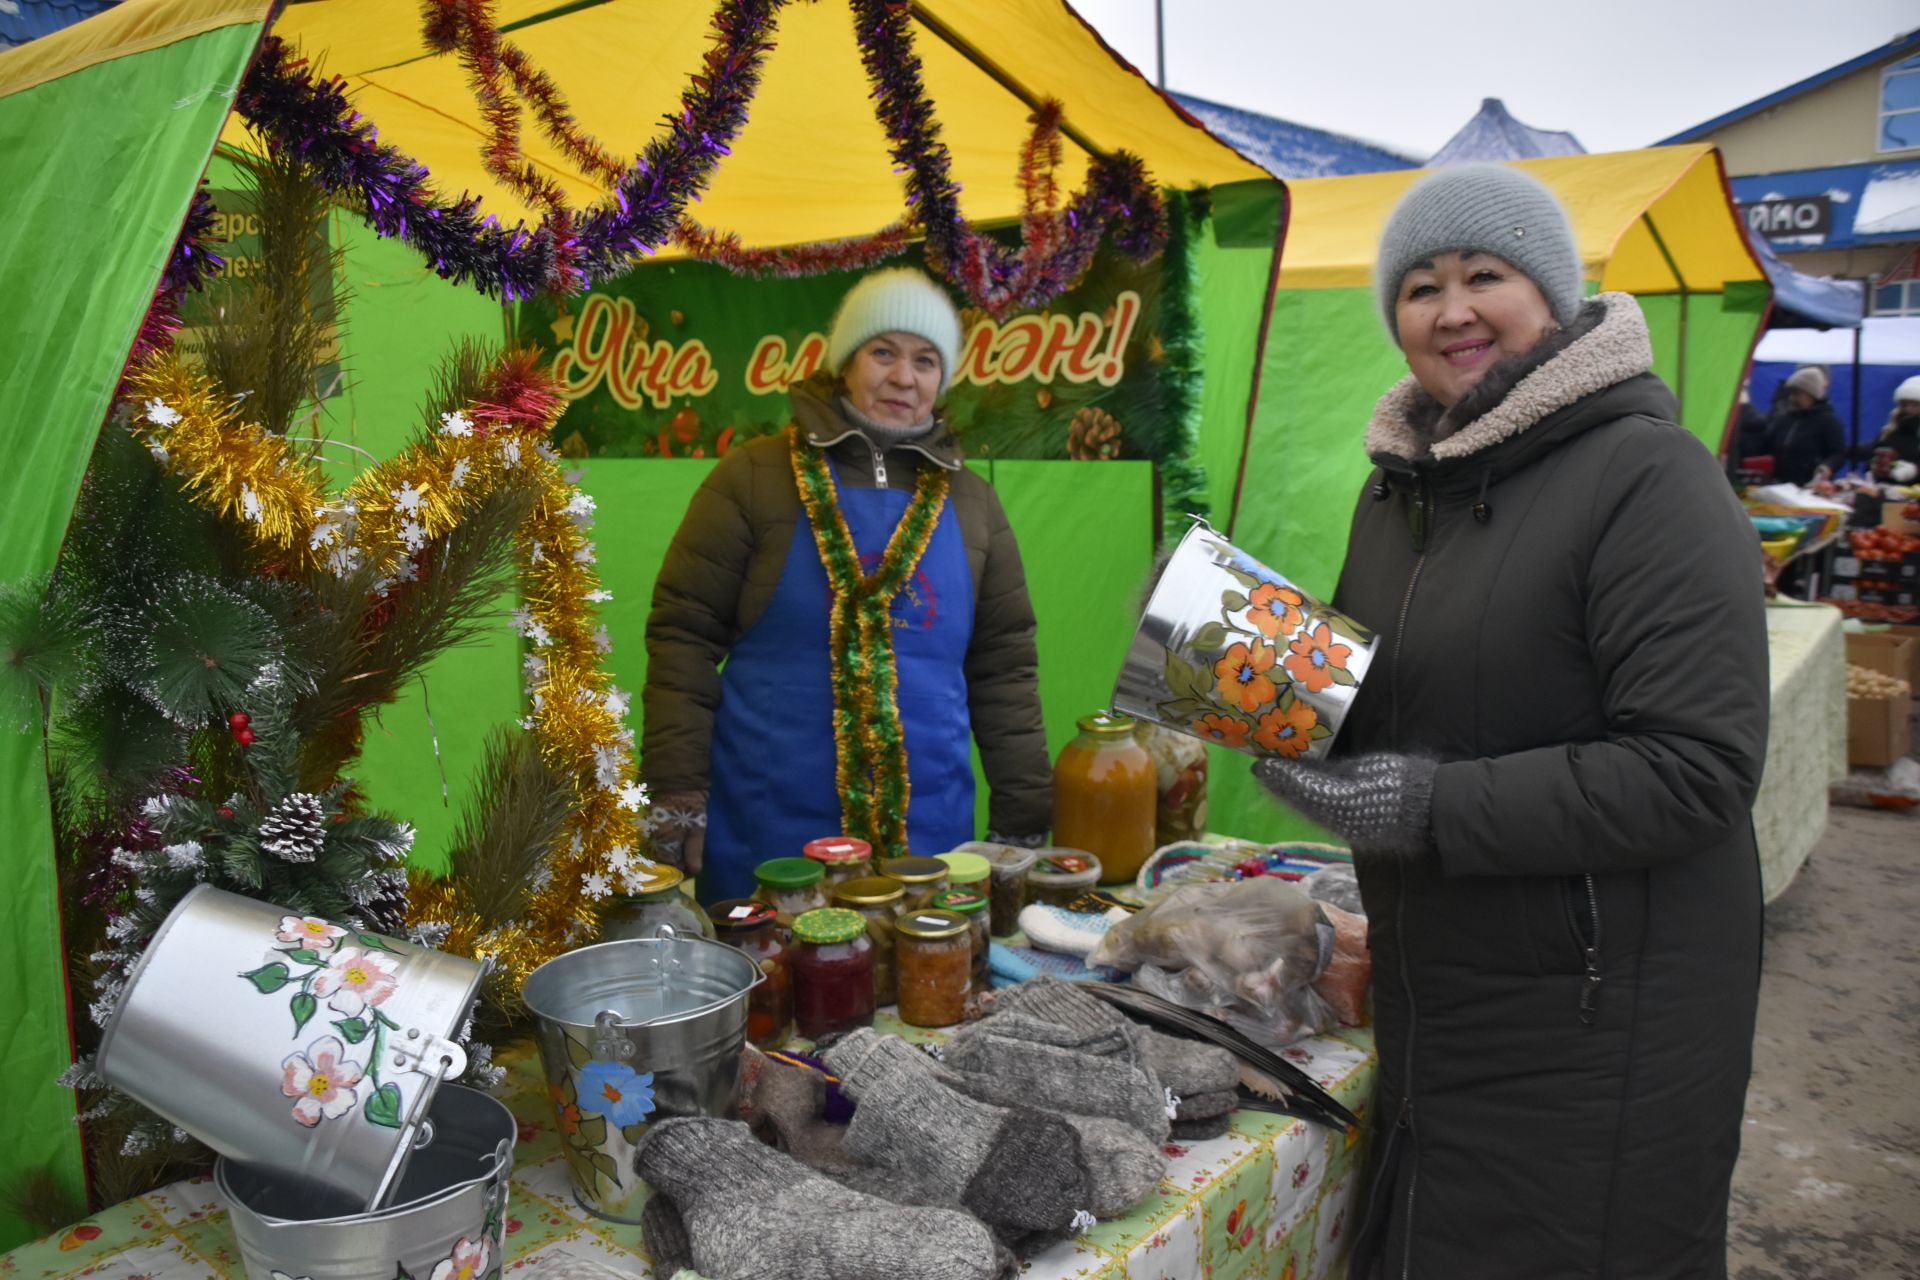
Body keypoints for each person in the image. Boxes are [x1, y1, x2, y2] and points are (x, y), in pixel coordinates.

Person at [1252, 165, 1767, 1279]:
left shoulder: (1646, 475)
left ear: (1552, 293)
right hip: (1444, 992)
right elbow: (1397, 696)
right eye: (1420, 287)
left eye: (1484, 274)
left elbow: (1696, 768)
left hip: (1601, 1015)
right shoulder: (1401, 491)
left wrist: (1422, 804)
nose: (1452, 311)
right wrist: (1257, 672)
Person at [641, 267, 1051, 903]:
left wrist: (1023, 816)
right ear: (846, 363)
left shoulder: (975, 504)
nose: (902, 377)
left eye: (924, 360)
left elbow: (1005, 668)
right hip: (767, 825)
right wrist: (675, 793)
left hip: (930, 834)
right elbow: (683, 639)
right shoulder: (752, 477)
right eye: (882, 352)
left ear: (942, 377)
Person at [1761, 364, 1847, 484]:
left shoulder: (1829, 422)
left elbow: (1838, 453)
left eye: (1797, 394)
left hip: (1809, 487)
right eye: (1791, 393)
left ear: (1812, 394)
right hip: (1779, 485)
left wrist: (1827, 467)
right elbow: (1765, 444)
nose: (1792, 398)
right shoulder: (1785, 419)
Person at [1867, 374, 1920, 472]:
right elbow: (1872, 451)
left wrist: (1915, 470)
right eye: (1904, 404)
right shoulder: (1890, 429)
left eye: (1915, 404)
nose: (1909, 408)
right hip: (1883, 484)